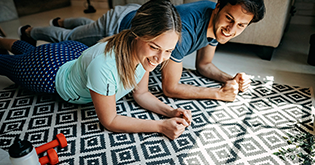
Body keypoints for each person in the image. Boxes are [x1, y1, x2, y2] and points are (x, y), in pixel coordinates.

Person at [0, 0, 192, 140]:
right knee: (7, 63)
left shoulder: (143, 55)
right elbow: (109, 120)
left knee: (26, 50)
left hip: (73, 54)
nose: (160, 59)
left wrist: (170, 111)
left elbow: (141, 93)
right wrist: (159, 126)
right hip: (47, 69)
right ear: (137, 35)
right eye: (154, 47)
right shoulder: (105, 65)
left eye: (168, 50)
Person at [19, 0, 265, 102]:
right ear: (218, 7)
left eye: (241, 26)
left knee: (84, 29)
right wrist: (217, 94)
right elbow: (169, 88)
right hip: (122, 24)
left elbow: (204, 65)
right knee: (72, 39)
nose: (231, 30)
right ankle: (32, 31)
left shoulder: (220, 25)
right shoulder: (186, 32)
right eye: (229, 20)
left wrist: (229, 79)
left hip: (145, 20)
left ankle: (65, 21)